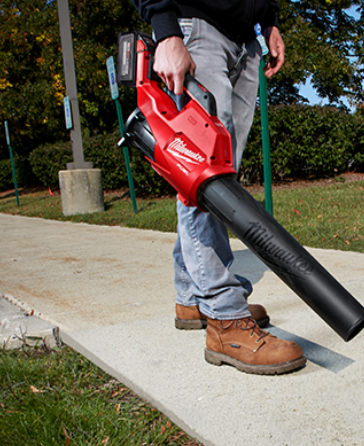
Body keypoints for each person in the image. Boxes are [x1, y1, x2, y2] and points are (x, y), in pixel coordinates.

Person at [132, 0, 306, 375]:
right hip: (196, 26)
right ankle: (226, 320)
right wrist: (166, 30)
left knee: (220, 176)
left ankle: (193, 296)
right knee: (201, 172)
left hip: (246, 40)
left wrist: (268, 20)